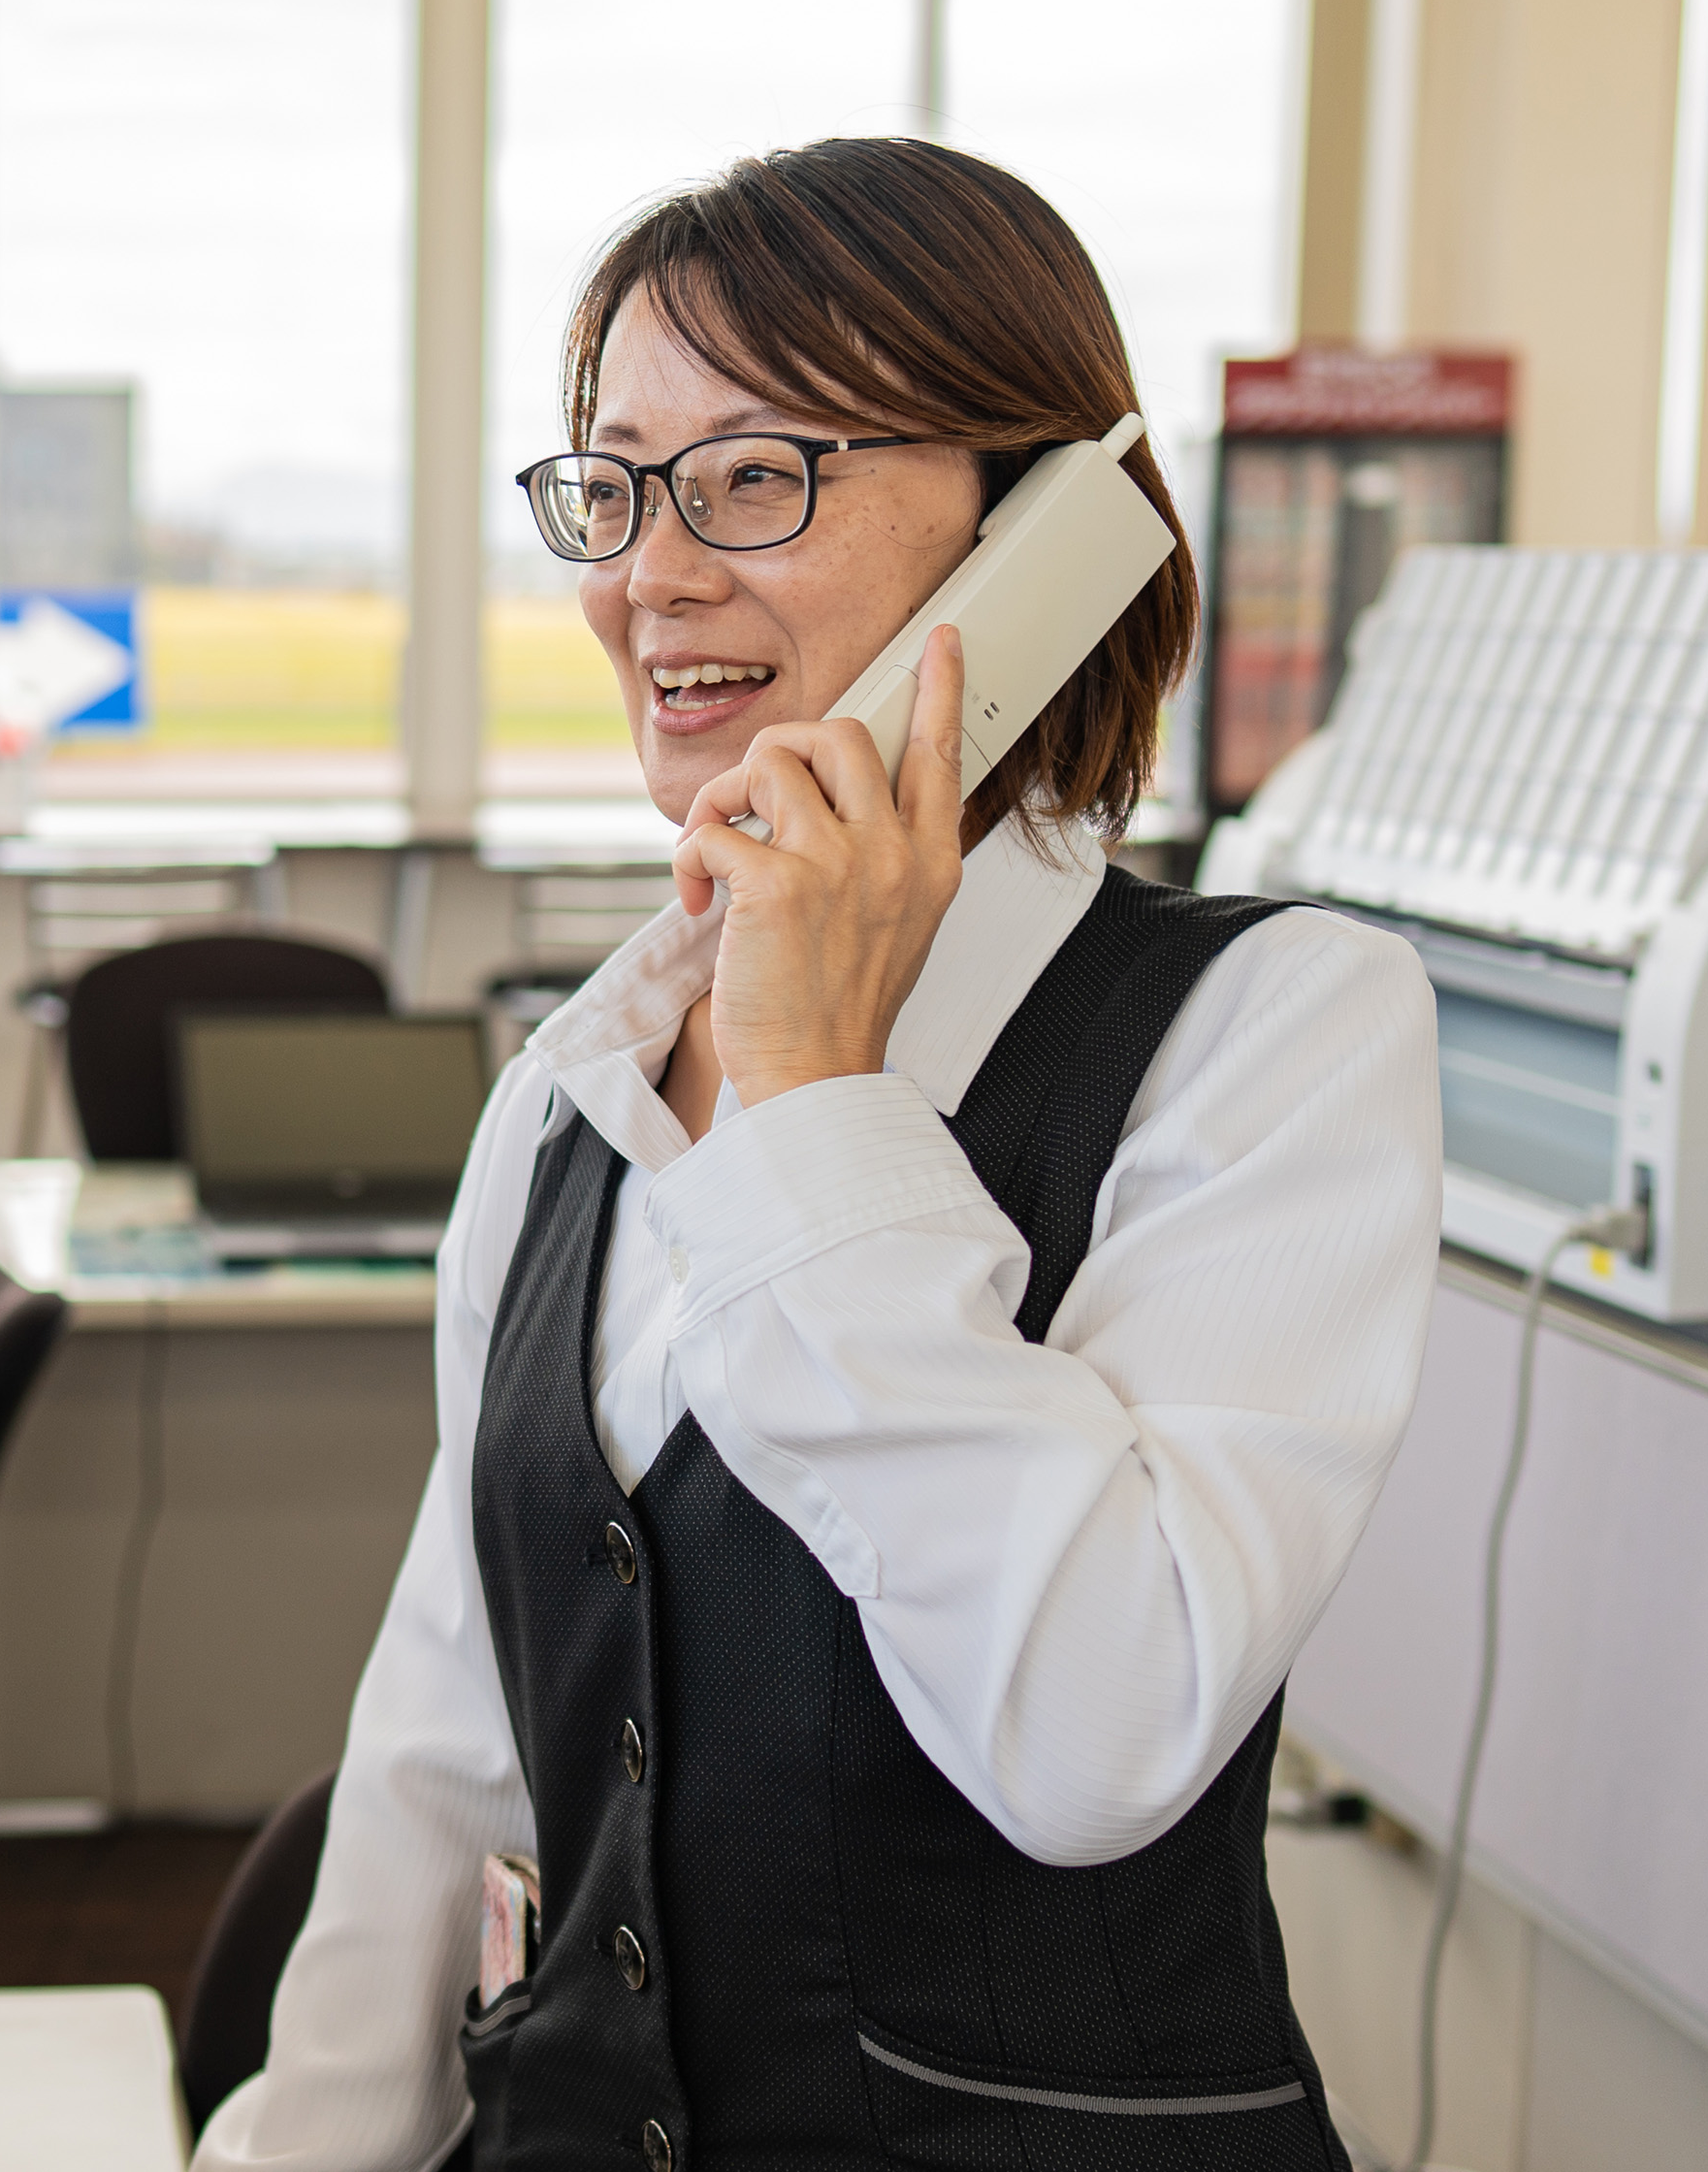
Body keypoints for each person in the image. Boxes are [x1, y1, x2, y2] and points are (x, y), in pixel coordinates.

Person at [190, 137, 1438, 2172]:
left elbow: (1095, 1730)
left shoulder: (1272, 1029)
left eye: (759, 473)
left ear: (1041, 524)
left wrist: (809, 1085)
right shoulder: (573, 1081)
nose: (649, 575)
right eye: (614, 482)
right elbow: (443, 1746)